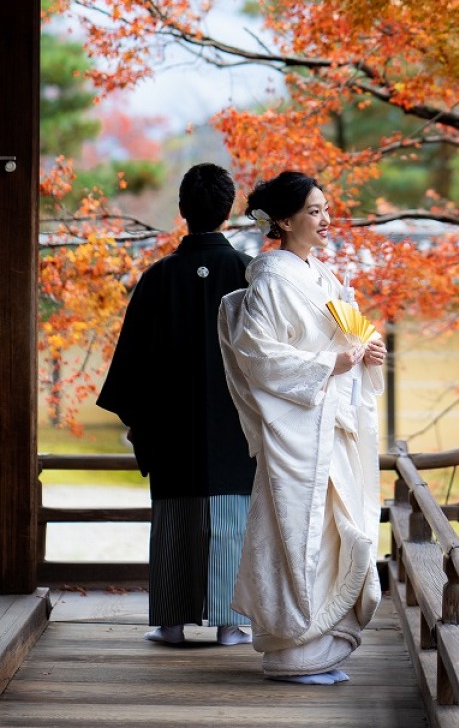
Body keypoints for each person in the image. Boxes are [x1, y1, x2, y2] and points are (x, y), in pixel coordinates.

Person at [218, 170, 387, 684]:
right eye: (314, 211)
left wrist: (367, 354)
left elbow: (349, 337)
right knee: (299, 532)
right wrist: (328, 365)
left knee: (336, 530)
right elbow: (256, 353)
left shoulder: (325, 276)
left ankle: (320, 646)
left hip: (328, 422)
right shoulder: (270, 277)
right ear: (285, 221)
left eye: (326, 209)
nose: (325, 219)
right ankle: (291, 651)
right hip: (296, 426)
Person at [96, 163, 257, 647]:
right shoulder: (249, 274)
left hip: (171, 428)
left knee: (173, 520)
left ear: (182, 210)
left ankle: (170, 621)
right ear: (228, 211)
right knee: (233, 518)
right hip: (236, 427)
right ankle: (233, 622)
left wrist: (142, 421)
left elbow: (130, 367)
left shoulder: (158, 278)